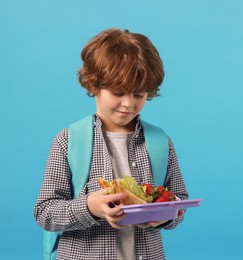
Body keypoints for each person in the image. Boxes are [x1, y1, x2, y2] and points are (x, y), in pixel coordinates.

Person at [34, 28, 189, 260]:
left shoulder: (160, 142)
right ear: (94, 84)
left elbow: (180, 201)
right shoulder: (68, 141)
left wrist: (165, 215)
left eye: (139, 94)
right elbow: (45, 213)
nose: (128, 103)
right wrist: (90, 207)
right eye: (118, 92)